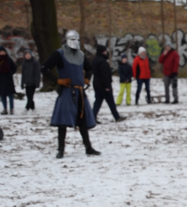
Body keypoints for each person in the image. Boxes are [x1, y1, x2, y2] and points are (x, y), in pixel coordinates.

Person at [41, 30, 100, 159]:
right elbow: (44, 68)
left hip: (79, 92)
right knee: (63, 122)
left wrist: (87, 78)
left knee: (83, 121)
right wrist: (57, 80)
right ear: (67, 40)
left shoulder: (81, 55)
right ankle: (60, 149)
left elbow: (89, 68)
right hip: (67, 92)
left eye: (77, 40)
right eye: (73, 40)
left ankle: (88, 148)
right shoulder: (59, 54)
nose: (75, 43)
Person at [92, 45, 126, 123]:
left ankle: (92, 117)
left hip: (96, 83)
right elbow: (105, 74)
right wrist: (107, 85)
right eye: (105, 50)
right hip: (103, 85)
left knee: (97, 101)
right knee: (110, 102)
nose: (106, 52)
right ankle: (116, 117)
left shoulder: (95, 60)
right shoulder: (103, 61)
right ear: (102, 52)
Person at [0, 46, 17, 115]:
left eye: (3, 52)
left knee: (10, 96)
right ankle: (5, 109)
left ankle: (11, 109)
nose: (2, 53)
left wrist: (10, 74)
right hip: (1, 80)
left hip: (9, 79)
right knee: (3, 96)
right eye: (1, 52)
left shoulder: (9, 59)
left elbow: (14, 68)